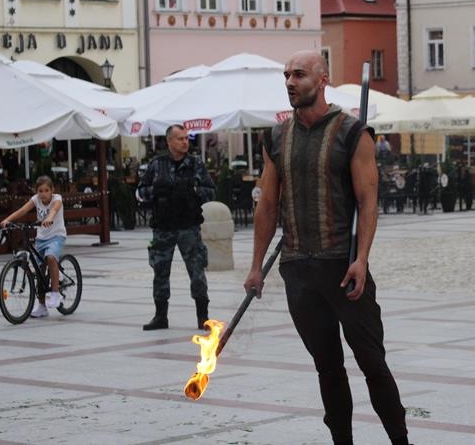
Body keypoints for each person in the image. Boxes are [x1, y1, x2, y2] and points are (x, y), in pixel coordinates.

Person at [244, 51, 409, 445]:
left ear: (322, 80)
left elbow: (368, 201)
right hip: (298, 268)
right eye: (286, 75)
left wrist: (362, 259)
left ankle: (401, 441)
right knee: (328, 368)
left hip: (343, 267)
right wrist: (255, 266)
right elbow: (267, 205)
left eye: (299, 74)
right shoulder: (276, 137)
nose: (290, 82)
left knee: (372, 363)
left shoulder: (353, 133)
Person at [137, 124, 216, 331]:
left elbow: (211, 191)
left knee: (197, 272)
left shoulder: (195, 164)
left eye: (186, 138)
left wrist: (194, 191)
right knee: (160, 272)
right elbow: (140, 192)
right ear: (169, 141)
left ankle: (203, 317)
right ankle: (160, 316)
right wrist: (156, 191)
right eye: (180, 138)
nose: (185, 142)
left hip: (189, 227)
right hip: (163, 228)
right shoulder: (157, 164)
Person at [0, 175, 66, 318]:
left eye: (46, 190)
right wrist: (8, 219)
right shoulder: (36, 199)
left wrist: (49, 218)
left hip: (56, 236)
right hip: (41, 238)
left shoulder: (57, 199)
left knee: (50, 257)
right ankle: (41, 306)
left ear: (52, 190)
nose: (43, 194)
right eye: (40, 191)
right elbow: (23, 210)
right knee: (39, 270)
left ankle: (55, 293)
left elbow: (54, 210)